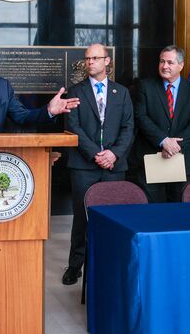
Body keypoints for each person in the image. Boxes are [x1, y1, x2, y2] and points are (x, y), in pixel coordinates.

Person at [62, 44, 134, 285]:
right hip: (84, 165)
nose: (90, 62)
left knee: (113, 217)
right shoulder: (75, 91)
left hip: (114, 165)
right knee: (81, 218)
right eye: (87, 58)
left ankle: (111, 263)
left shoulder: (121, 92)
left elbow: (128, 127)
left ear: (107, 61)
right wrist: (96, 154)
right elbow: (73, 127)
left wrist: (113, 154)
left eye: (95, 58)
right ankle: (75, 266)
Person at [134, 45, 190, 203]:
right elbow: (141, 117)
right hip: (152, 158)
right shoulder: (145, 86)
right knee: (152, 210)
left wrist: (174, 146)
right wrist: (164, 141)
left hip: (183, 158)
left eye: (170, 62)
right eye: (162, 61)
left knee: (179, 210)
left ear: (181, 65)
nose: (164, 66)